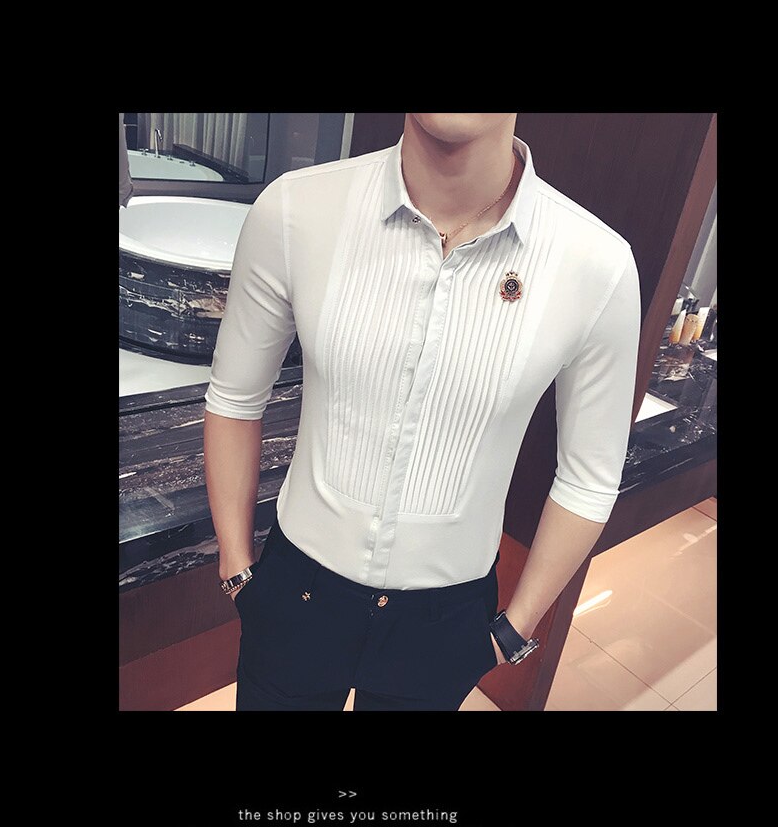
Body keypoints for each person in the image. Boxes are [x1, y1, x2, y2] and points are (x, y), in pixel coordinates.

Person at [204, 113, 641, 711]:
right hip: (296, 589)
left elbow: (589, 476)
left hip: (446, 619)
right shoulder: (296, 209)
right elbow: (234, 397)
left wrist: (515, 626)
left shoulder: (597, 264)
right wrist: (237, 567)